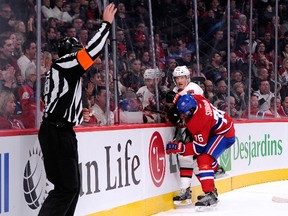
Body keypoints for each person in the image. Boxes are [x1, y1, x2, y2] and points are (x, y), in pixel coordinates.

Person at [38, 4, 116, 216]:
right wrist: (106, 25)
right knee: (66, 188)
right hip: (56, 132)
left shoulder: (62, 73)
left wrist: (75, 113)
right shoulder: (65, 64)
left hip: (61, 131)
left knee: (72, 187)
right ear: (69, 55)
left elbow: (55, 101)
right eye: (76, 54)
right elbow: (91, 52)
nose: (80, 59)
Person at [166, 93, 235, 210]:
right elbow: (187, 96)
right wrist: (177, 98)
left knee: (203, 159)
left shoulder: (198, 122)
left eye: (186, 113)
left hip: (224, 133)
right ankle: (216, 168)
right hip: (216, 128)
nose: (183, 116)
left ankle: (210, 194)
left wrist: (180, 148)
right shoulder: (197, 99)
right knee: (203, 160)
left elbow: (198, 149)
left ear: (192, 109)